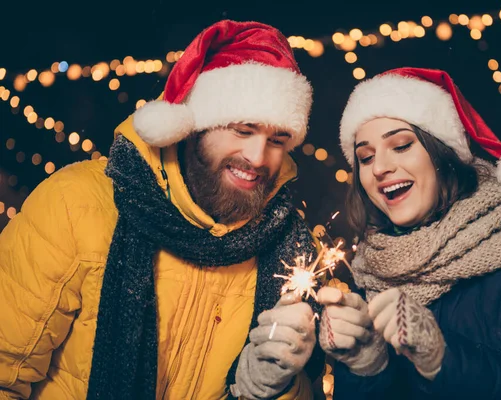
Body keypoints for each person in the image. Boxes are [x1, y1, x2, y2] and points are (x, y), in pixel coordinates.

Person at [0, 20, 325, 399]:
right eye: (242, 129)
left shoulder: (294, 252)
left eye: (277, 140)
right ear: (196, 125)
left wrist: (277, 386)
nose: (257, 157)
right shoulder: (76, 204)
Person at [316, 67, 501, 399]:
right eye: (365, 157)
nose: (379, 168)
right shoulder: (369, 270)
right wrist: (367, 367)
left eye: (401, 145)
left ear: (443, 153)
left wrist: (444, 357)